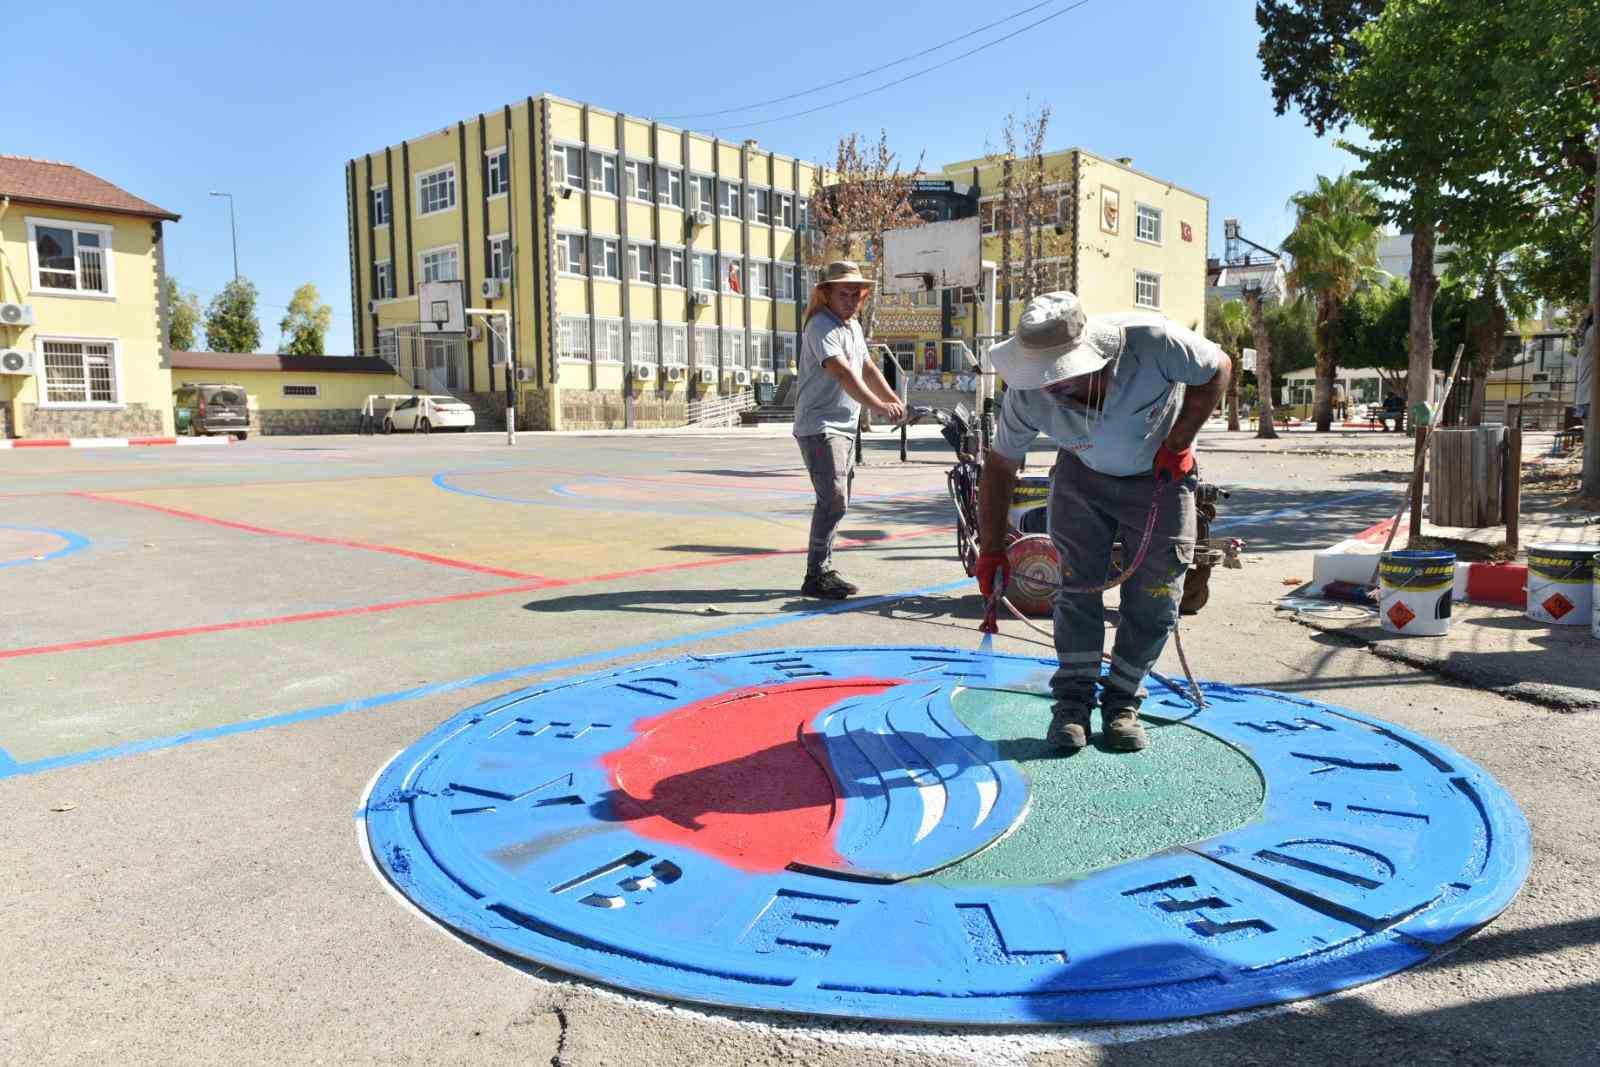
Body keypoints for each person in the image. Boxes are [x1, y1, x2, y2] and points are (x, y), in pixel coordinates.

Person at [975, 291, 1230, 753]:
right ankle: (1073, 701)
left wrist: (1179, 442)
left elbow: (1218, 369)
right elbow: (1000, 466)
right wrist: (991, 548)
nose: (1052, 387)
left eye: (1062, 375)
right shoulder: (1026, 395)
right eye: (1043, 377)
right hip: (1081, 476)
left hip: (1160, 474)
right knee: (1076, 590)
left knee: (1156, 597)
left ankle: (1123, 700)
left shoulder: (1153, 342)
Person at [793, 260, 906, 599]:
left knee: (837, 502)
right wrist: (879, 407)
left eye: (857, 294)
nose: (852, 300)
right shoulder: (820, 326)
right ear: (826, 294)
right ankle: (816, 574)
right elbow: (842, 372)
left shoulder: (853, 326)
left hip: (844, 426)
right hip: (820, 425)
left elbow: (867, 368)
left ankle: (821, 570)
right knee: (834, 500)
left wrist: (895, 400)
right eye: (844, 294)